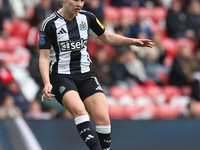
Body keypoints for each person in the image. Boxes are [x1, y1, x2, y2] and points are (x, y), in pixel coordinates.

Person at [39, 0, 154, 150]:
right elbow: (43, 57)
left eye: (82, 0)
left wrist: (132, 41)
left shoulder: (88, 18)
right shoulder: (49, 24)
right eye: (76, 0)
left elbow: (106, 37)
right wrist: (47, 82)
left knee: (103, 118)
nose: (79, 4)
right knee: (80, 111)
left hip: (86, 74)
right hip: (61, 76)